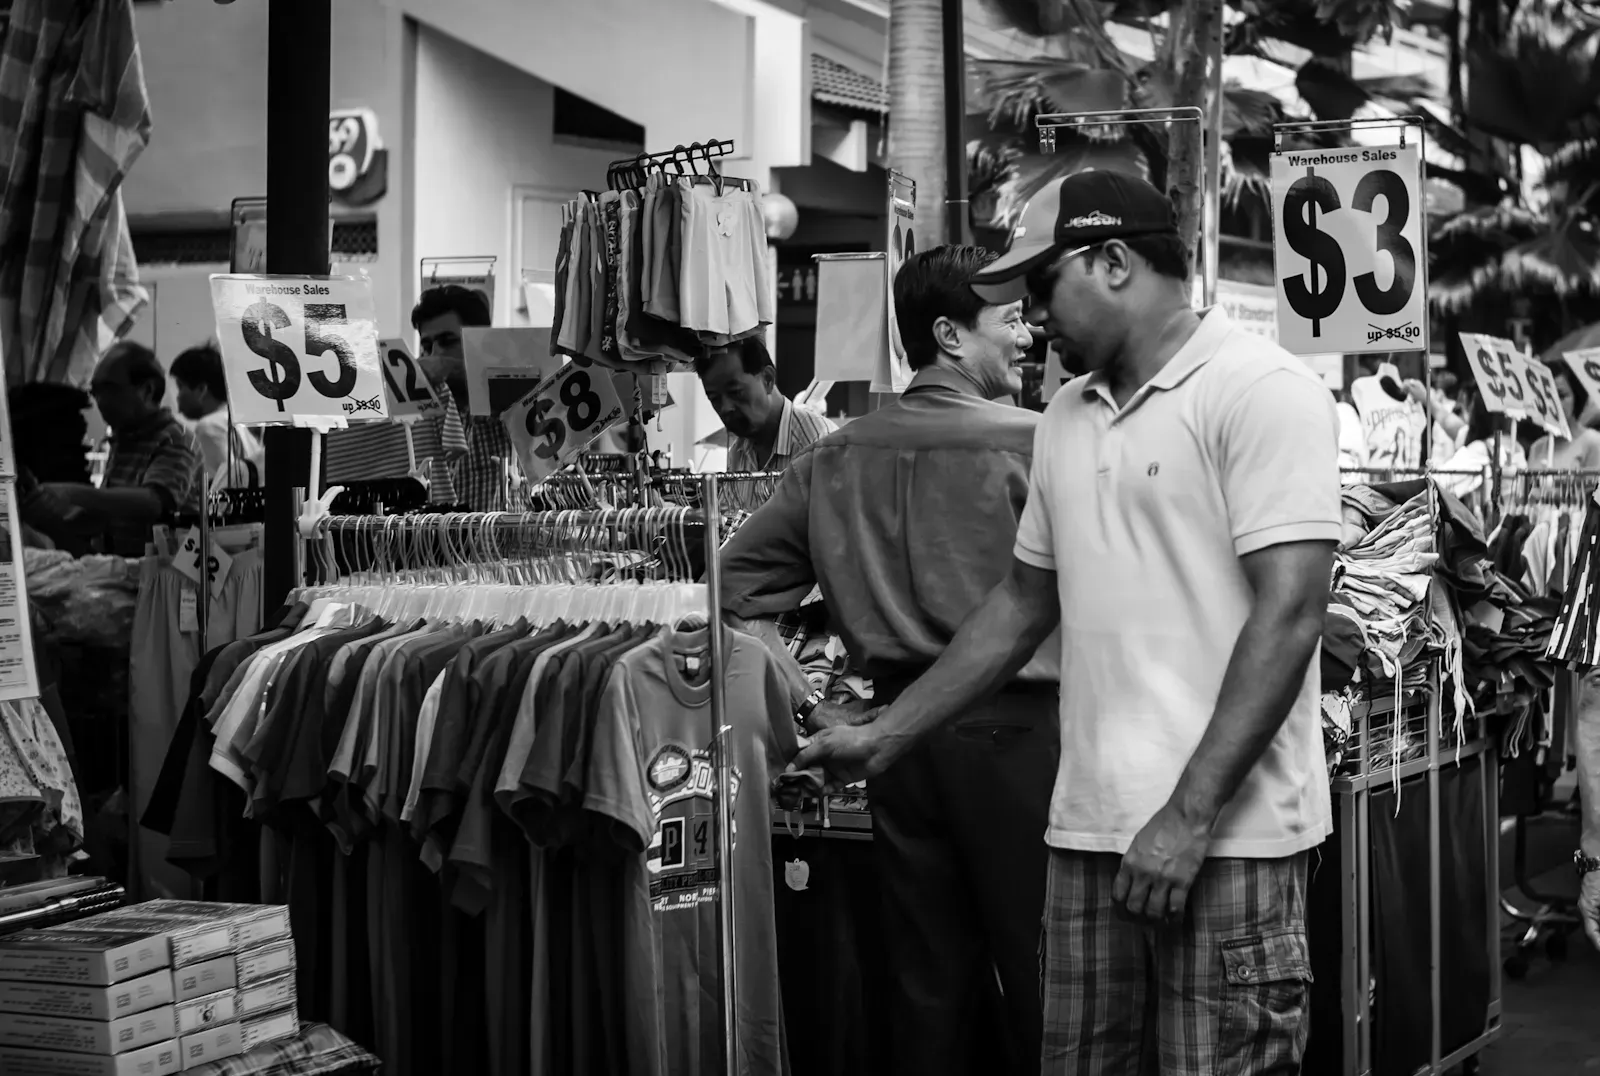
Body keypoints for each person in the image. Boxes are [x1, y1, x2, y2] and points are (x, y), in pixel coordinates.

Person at [795, 172, 1340, 1075]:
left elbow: (1291, 612)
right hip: (1085, 838)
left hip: (1228, 841)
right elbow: (1018, 604)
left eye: (1043, 287)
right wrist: (884, 736)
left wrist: (1187, 814)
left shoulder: (1261, 391)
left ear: (1114, 261)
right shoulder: (1064, 420)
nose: (1031, 315)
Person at [721, 245, 1059, 1076]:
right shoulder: (1039, 444)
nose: (1028, 335)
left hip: (896, 742)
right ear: (948, 333)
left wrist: (810, 703)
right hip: (1021, 740)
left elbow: (726, 591)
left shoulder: (836, 455)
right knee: (1047, 981)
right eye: (1010, 320)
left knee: (926, 988)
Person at [322, 285, 515, 510]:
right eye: (426, 345)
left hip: (506, 539)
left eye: (448, 341)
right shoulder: (417, 404)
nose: (434, 354)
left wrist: (458, 370)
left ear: (479, 341)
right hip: (435, 541)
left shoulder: (508, 388)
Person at [42, 341, 204, 557]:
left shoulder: (176, 438)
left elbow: (153, 503)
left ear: (147, 391)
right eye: (95, 391)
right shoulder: (124, 438)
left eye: (109, 389)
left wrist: (72, 494)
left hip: (167, 578)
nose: (100, 401)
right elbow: (112, 512)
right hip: (126, 572)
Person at [695, 336, 833, 474]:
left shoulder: (819, 445)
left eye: (735, 392)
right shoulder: (738, 452)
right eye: (714, 398)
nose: (725, 408)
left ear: (767, 379)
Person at [169, 343, 264, 489]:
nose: (178, 397)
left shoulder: (209, 427)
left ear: (201, 389)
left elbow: (229, 485)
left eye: (181, 387)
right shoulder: (239, 423)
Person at [1528, 360, 1600, 470]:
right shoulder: (1537, 448)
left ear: (1576, 396)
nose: (1555, 403)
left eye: (1561, 396)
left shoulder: (1593, 442)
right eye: (1547, 396)